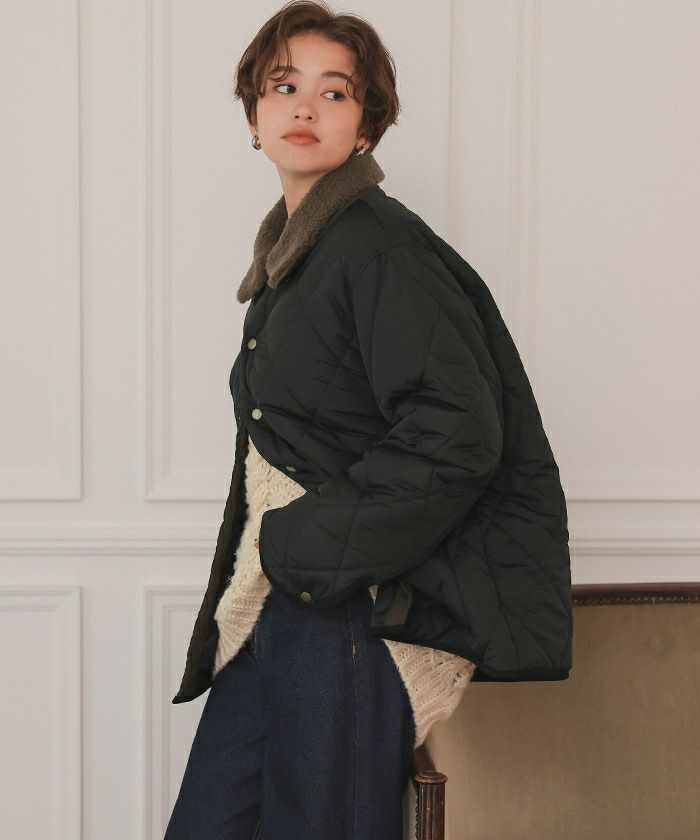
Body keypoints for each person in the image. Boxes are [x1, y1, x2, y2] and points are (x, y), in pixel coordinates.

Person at [165, 2, 573, 839]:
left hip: (349, 616)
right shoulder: (299, 255)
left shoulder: (379, 247)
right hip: (284, 606)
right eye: (284, 86)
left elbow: (459, 432)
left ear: (366, 126)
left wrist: (301, 545)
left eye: (335, 91)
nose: (305, 107)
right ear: (253, 115)